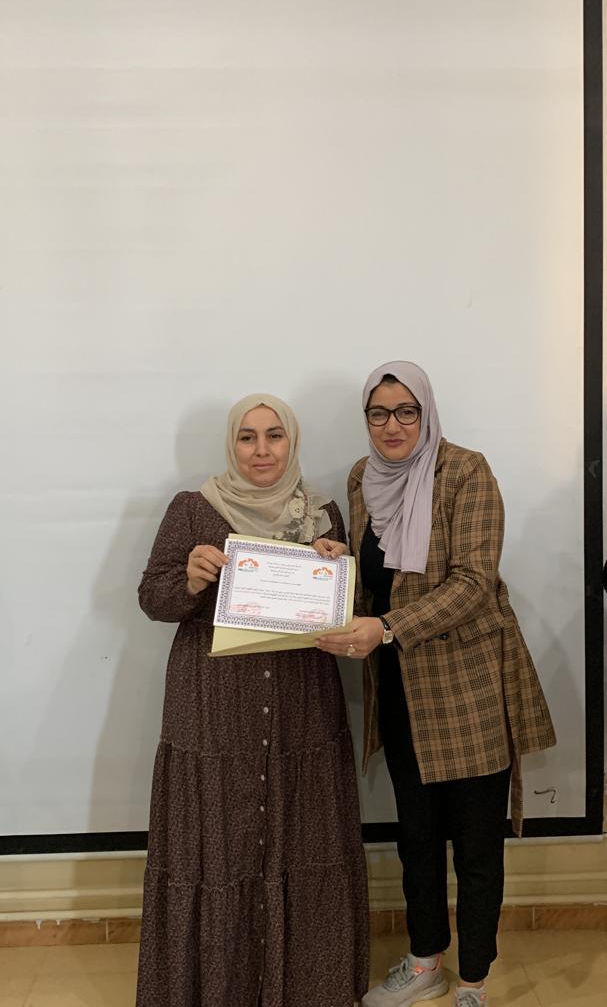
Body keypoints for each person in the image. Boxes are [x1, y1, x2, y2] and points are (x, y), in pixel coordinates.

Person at [316, 361, 555, 1007]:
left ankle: (472, 980)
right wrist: (336, 567)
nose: (391, 426)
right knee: (416, 836)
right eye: (378, 413)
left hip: (468, 686)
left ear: (426, 413)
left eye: (406, 412)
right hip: (399, 687)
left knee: (476, 844)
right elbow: (375, 579)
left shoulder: (466, 472)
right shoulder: (362, 478)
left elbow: (473, 583)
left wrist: (388, 627)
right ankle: (426, 961)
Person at [136, 394, 369, 1007]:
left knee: (304, 839)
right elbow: (153, 598)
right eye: (247, 437)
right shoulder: (193, 509)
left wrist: (339, 571)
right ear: (231, 444)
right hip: (213, 704)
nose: (261, 450)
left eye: (274, 436)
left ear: (292, 442)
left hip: (301, 702)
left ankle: (308, 988)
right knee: (217, 844)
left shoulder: (323, 514)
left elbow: (345, 610)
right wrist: (189, 579)